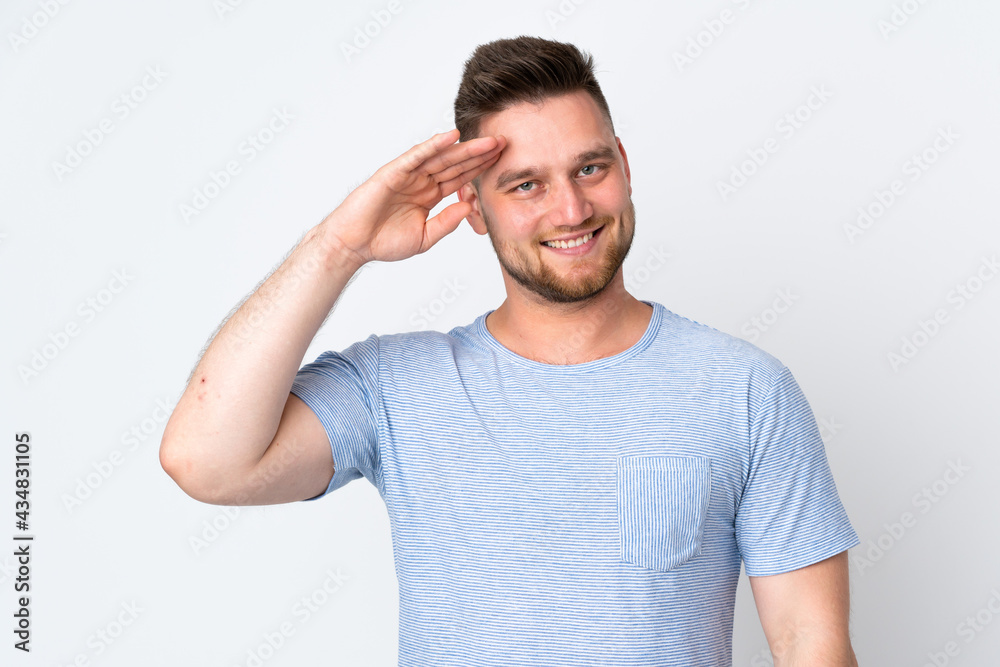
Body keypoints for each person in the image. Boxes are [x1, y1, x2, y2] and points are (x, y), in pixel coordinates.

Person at [160, 35, 860, 666]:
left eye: (590, 168)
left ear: (623, 163)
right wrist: (340, 247)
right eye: (526, 184)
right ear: (472, 204)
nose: (571, 210)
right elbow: (207, 461)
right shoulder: (396, 387)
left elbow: (810, 642)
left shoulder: (744, 390)